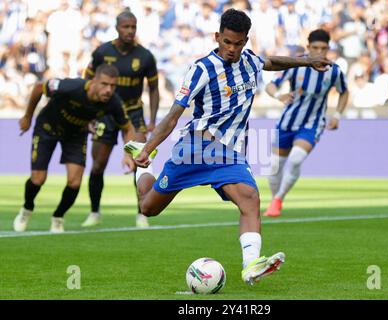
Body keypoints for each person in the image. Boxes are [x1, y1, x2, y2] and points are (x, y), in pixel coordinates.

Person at [124, 9, 332, 285]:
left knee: (250, 198)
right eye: (227, 42)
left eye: (238, 43)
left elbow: (272, 62)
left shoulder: (249, 61)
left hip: (228, 153)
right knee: (148, 208)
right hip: (195, 149)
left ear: (246, 41)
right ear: (217, 37)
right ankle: (143, 168)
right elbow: (174, 115)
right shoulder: (201, 69)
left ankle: (250, 265)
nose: (232, 49)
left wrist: (307, 61)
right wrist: (148, 148)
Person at [14, 64, 135, 233]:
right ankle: (26, 210)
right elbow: (38, 87)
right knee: (38, 179)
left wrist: (129, 153)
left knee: (75, 182)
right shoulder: (71, 87)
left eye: (113, 86)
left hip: (76, 135)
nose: (109, 90)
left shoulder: (113, 102)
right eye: (105, 84)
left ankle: (58, 217)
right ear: (94, 81)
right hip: (47, 128)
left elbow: (128, 128)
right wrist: (28, 116)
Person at [81, 11, 160, 228]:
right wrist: (87, 112)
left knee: (141, 162)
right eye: (126, 27)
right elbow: (86, 83)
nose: (130, 31)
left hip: (133, 113)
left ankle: (141, 212)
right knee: (97, 165)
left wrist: (152, 119)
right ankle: (95, 211)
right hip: (104, 113)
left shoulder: (145, 56)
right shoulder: (102, 52)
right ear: (117, 28)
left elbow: (154, 88)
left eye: (133, 27)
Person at [263, 29, 349, 217]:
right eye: (315, 47)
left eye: (324, 48)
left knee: (295, 159)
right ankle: (274, 199)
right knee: (274, 166)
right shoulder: (295, 65)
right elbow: (270, 85)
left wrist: (337, 116)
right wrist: (279, 95)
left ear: (328, 48)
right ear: (308, 47)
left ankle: (278, 199)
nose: (319, 51)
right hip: (287, 122)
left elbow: (344, 92)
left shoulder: (334, 70)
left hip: (312, 123)